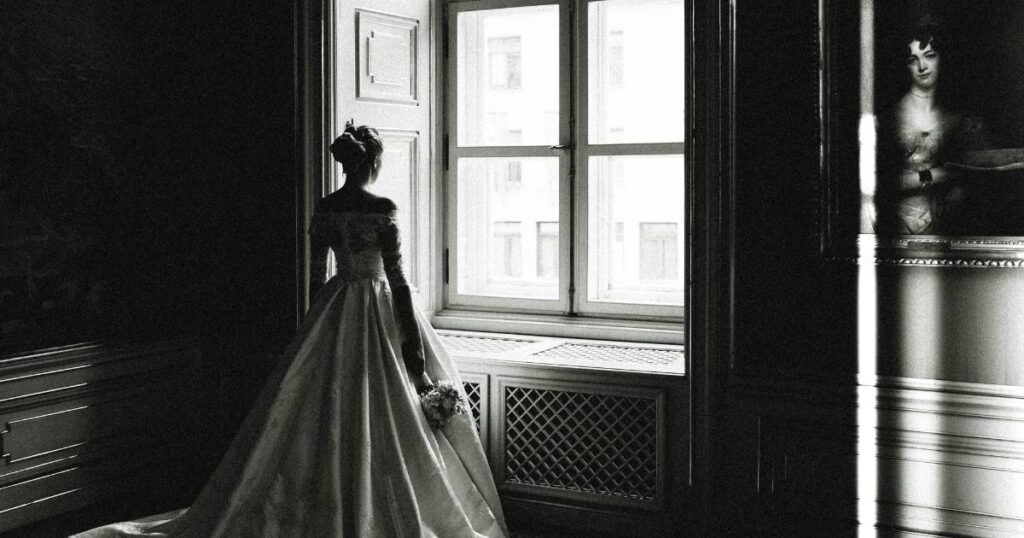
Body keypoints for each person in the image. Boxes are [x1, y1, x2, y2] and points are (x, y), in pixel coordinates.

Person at [72, 122, 508, 537]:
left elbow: (317, 279)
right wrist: (412, 342)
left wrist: (314, 333)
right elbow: (395, 279)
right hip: (377, 307)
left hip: (335, 306)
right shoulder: (381, 209)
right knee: (387, 408)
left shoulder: (326, 209)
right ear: (372, 162)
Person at [873, 18, 989, 235]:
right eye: (912, 59)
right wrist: (935, 175)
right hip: (894, 228)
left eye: (929, 56)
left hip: (944, 229)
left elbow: (975, 178)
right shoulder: (889, 119)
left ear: (941, 58)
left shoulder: (959, 118)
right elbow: (881, 183)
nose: (922, 67)